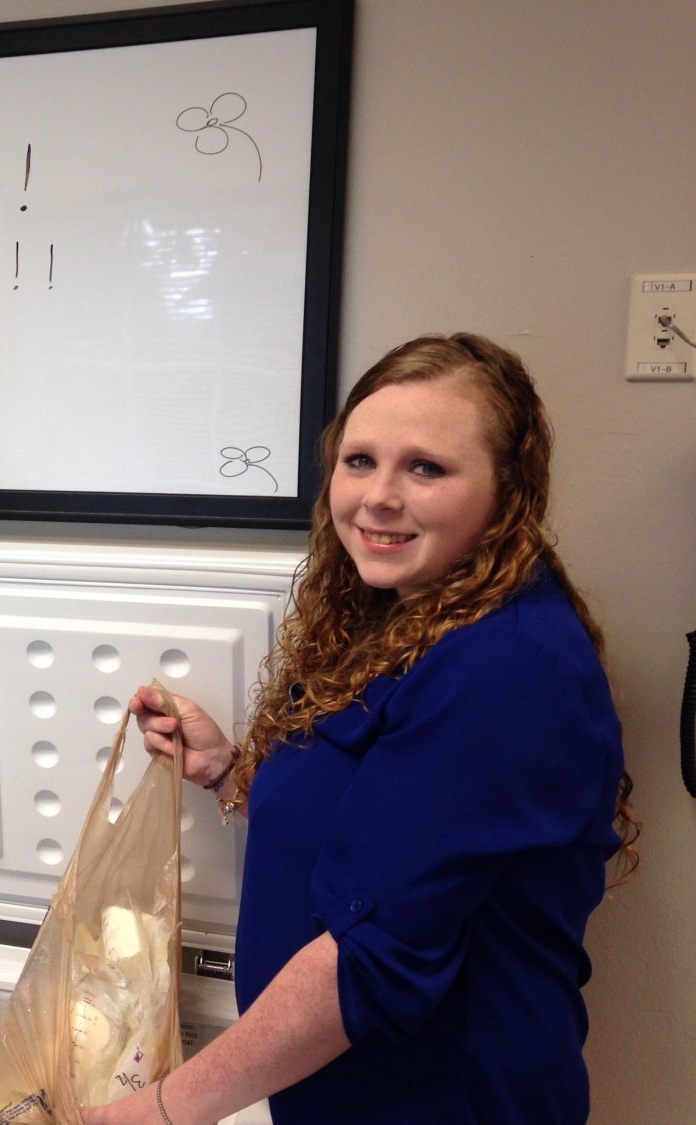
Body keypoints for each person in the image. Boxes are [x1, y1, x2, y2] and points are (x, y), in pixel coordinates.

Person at [84, 333, 638, 1124]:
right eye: (360, 460)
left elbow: (372, 957)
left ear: (508, 490)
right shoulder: (398, 612)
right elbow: (376, 838)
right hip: (346, 1089)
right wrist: (227, 771)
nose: (378, 495)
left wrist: (162, 1110)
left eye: (426, 467)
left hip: (444, 1097)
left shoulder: (508, 666)